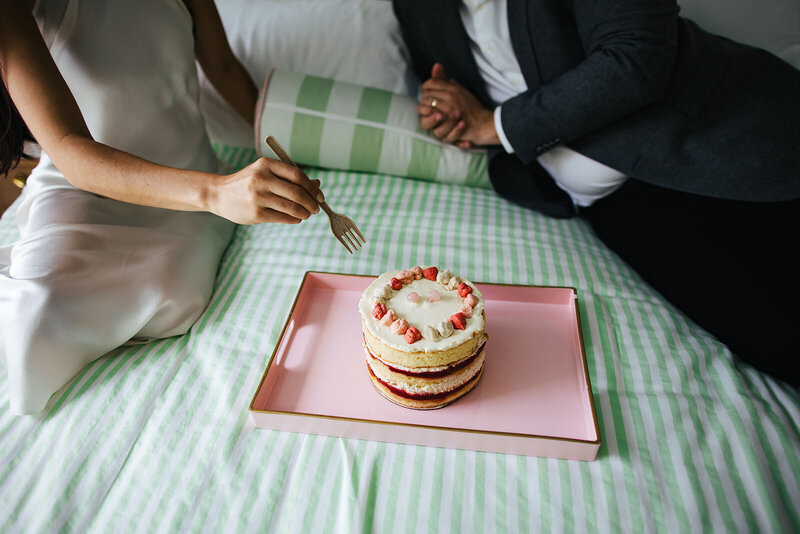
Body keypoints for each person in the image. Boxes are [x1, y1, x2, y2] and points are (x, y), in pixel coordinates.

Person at [393, 0, 800, 385]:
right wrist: (445, 108)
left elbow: (637, 56)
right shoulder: (415, 6)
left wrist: (495, 126)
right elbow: (449, 89)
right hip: (616, 206)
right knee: (767, 335)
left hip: (721, 142)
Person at [0, 0, 325, 414]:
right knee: (34, 315)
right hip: (84, 188)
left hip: (185, 178)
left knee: (174, 295)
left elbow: (223, 69)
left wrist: (291, 151)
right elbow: (69, 147)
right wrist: (219, 194)